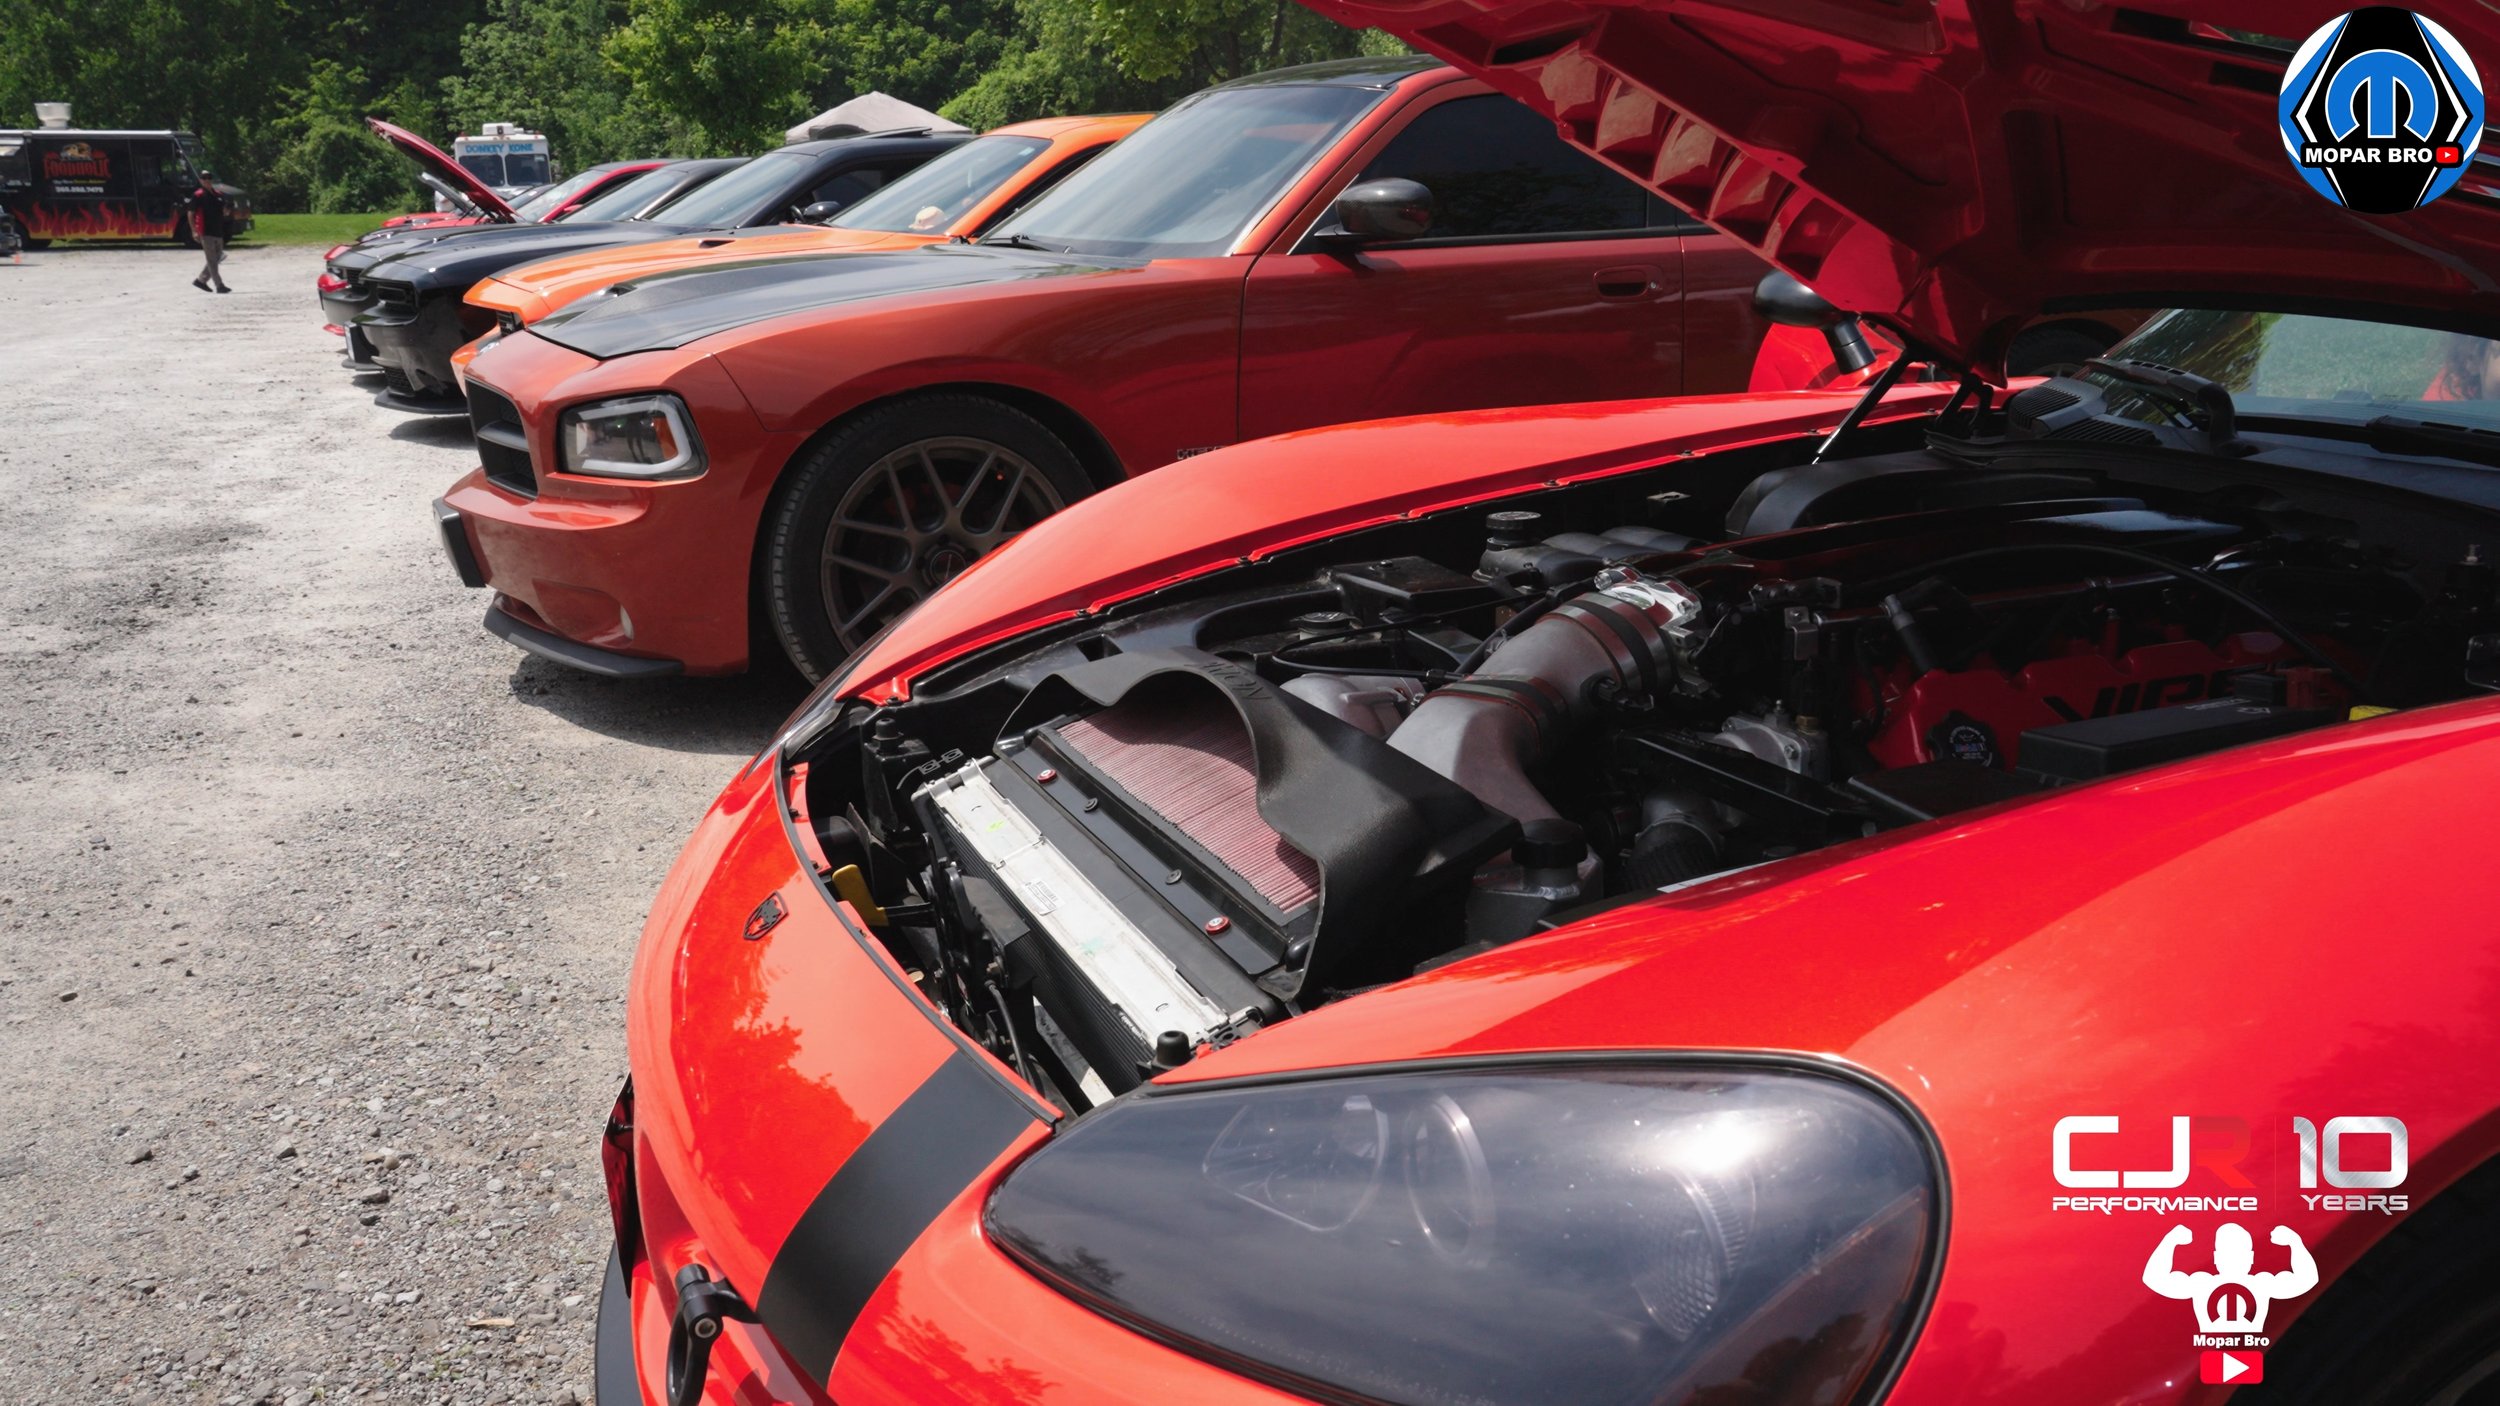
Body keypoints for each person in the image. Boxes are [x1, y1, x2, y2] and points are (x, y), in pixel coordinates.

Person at [189, 174, 231, 293]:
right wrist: (194, 230)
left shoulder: (218, 195)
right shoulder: (198, 195)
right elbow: (190, 213)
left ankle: (201, 280)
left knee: (218, 257)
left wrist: (227, 209)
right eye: (204, 178)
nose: (207, 180)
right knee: (212, 259)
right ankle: (219, 285)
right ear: (200, 180)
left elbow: (224, 213)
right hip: (205, 231)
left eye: (209, 178)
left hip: (218, 231)